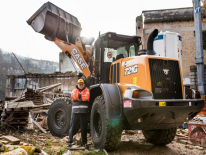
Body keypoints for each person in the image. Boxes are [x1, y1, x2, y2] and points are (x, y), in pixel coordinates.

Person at [68, 79, 90, 149]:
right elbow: (73, 97)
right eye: (79, 84)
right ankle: (69, 141)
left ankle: (84, 142)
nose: (81, 85)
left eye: (82, 84)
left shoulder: (87, 90)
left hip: (83, 112)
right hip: (75, 112)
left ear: (83, 84)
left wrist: (78, 97)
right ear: (77, 84)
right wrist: (81, 96)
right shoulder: (74, 90)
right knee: (72, 127)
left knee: (84, 128)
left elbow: (87, 97)